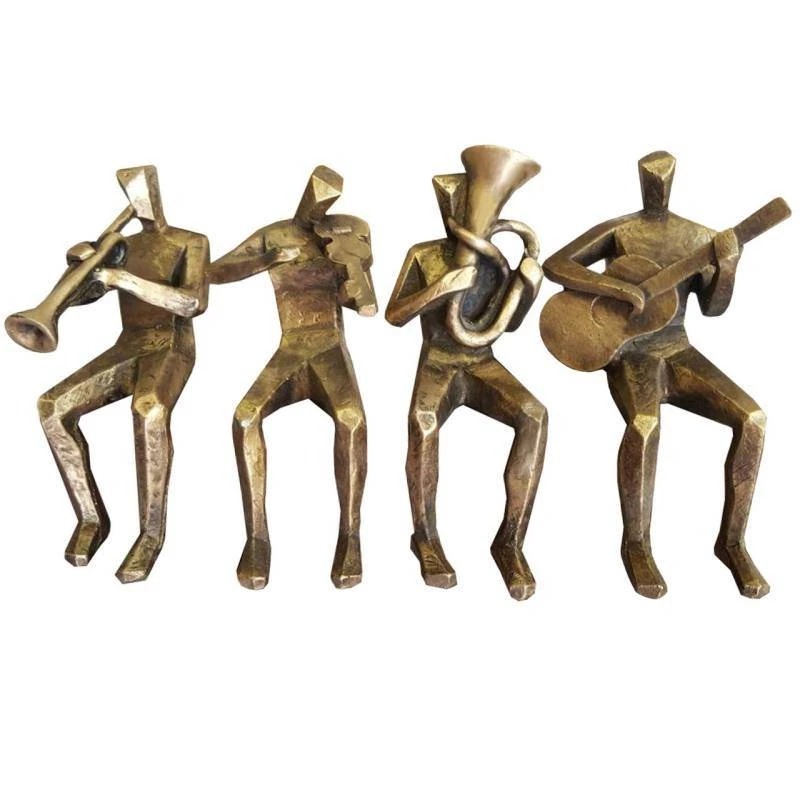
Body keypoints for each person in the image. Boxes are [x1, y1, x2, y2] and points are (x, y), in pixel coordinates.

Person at [543, 151, 769, 598]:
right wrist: (616, 287)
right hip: (630, 352)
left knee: (752, 419)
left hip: (678, 348)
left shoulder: (700, 236)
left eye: (662, 179)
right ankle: (636, 545)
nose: (656, 185)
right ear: (641, 182)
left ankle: (733, 543)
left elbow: (714, 308)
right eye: (649, 178)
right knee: (644, 425)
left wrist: (728, 268)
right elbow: (556, 265)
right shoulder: (621, 229)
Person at [385, 147, 547, 600]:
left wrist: (526, 289)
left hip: (481, 361)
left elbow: (506, 324)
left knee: (534, 415)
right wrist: (439, 289)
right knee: (423, 422)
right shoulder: (423, 255)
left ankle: (510, 542)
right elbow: (395, 315)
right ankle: (425, 538)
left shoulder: (495, 260)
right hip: (438, 360)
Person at [37, 166, 210, 582]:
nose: (138, 200)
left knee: (148, 409)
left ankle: (150, 534)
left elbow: (191, 304)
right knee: (52, 407)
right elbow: (86, 296)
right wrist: (78, 268)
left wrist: (123, 279)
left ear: (157, 193)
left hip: (171, 345)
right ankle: (91, 519)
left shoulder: (191, 241)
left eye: (142, 190)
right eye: (128, 192)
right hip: (128, 344)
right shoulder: (119, 246)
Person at [209, 165, 375, 590]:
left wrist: (351, 270)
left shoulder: (351, 229)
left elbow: (363, 304)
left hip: (330, 347)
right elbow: (214, 272)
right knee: (245, 417)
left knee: (352, 420)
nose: (321, 203)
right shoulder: (275, 234)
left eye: (329, 198)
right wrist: (266, 260)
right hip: (292, 345)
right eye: (316, 195)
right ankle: (256, 538)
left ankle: (350, 536)